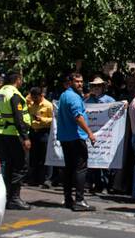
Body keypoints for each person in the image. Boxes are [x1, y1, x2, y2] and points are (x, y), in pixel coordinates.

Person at [0, 70, 33, 210]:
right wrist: (25, 137)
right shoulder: (14, 94)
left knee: (7, 166)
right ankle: (14, 198)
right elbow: (18, 117)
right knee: (20, 166)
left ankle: (7, 196)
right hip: (14, 134)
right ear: (18, 80)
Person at [56, 73, 97, 212]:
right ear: (71, 82)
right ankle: (79, 200)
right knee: (80, 168)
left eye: (81, 81)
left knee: (69, 168)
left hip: (65, 137)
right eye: (77, 81)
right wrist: (90, 133)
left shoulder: (65, 95)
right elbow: (78, 117)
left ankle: (68, 199)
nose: (80, 84)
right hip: (75, 137)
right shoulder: (73, 97)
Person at [27, 85, 54, 187]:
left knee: (45, 156)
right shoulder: (32, 105)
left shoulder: (48, 105)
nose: (34, 100)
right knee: (34, 157)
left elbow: (53, 120)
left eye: (35, 97)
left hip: (44, 132)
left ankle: (47, 179)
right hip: (34, 132)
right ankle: (35, 178)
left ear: (41, 95)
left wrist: (42, 119)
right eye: (32, 97)